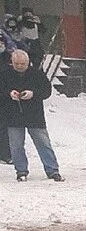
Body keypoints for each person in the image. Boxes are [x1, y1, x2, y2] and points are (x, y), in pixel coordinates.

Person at [1, 50, 62, 182]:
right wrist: (9, 94)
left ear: (28, 63)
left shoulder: (37, 74)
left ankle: (52, 170)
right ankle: (21, 171)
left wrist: (33, 94)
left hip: (34, 115)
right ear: (12, 62)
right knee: (16, 146)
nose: (20, 66)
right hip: (13, 115)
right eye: (16, 63)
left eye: (22, 63)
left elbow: (47, 91)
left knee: (43, 143)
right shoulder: (4, 74)